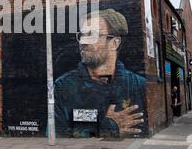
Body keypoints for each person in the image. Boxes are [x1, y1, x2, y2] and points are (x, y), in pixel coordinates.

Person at [54, 9, 146, 138]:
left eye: (92, 35)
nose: (83, 42)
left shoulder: (139, 85)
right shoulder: (64, 86)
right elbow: (57, 134)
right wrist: (107, 127)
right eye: (82, 35)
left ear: (114, 43)